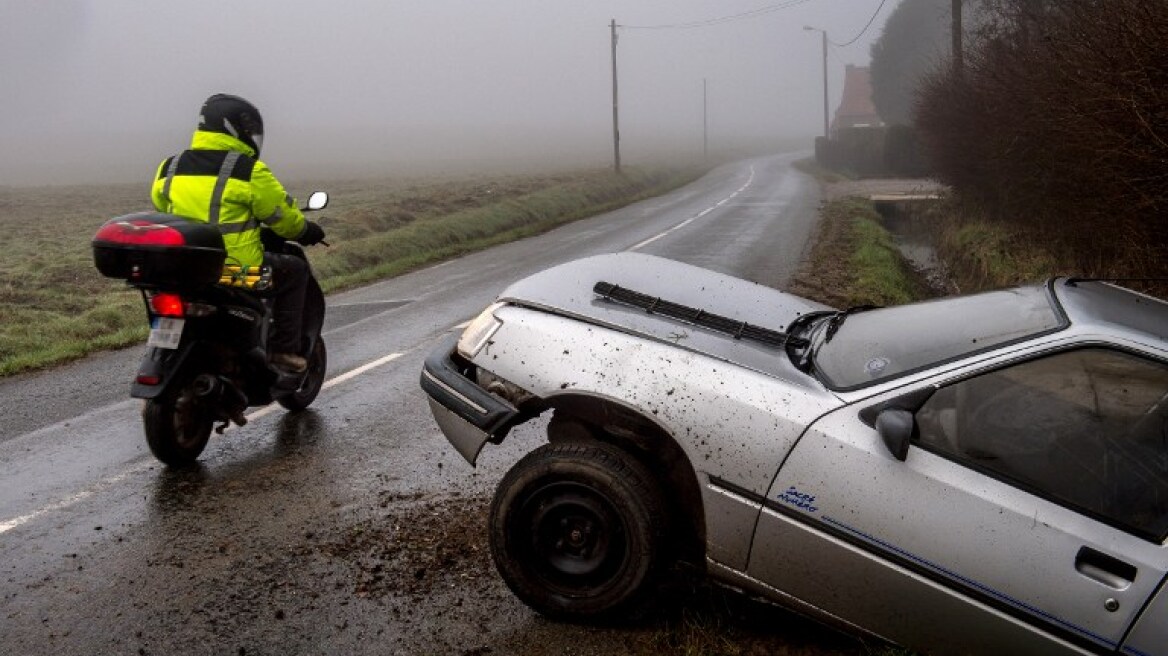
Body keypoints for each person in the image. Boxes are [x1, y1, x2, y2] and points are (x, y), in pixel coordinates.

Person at [150, 93, 325, 373]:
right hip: (235, 273)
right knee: (294, 271)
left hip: (183, 274)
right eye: (250, 131)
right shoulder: (248, 171)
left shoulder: (169, 166)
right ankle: (283, 352)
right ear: (235, 128)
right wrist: (307, 230)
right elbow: (284, 219)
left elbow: (161, 205)